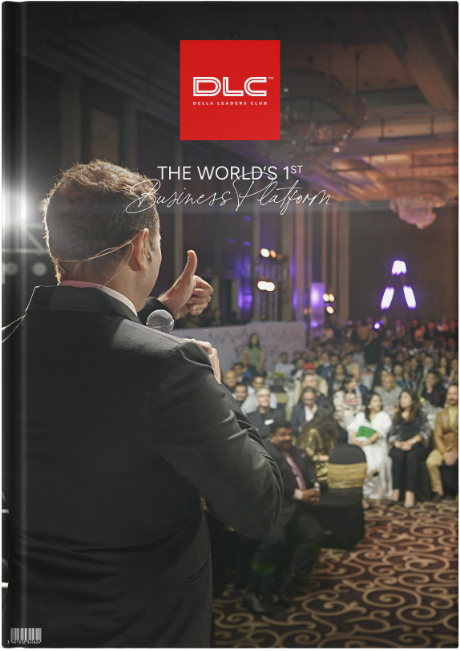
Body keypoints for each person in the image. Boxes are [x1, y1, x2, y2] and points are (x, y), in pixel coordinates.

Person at [2, 161, 283, 648]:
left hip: (34, 626)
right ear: (141, 246)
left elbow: (90, 368)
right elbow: (260, 507)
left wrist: (159, 313)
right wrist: (215, 386)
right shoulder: (173, 369)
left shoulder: (8, 346)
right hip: (144, 628)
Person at [243, 420, 326, 614]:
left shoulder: (295, 450)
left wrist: (314, 489)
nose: (288, 438)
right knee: (274, 541)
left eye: (290, 434)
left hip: (295, 509)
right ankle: (253, 592)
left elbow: (309, 469)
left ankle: (285, 579)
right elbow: (273, 481)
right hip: (271, 509)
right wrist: (300, 495)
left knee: (315, 534)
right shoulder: (264, 452)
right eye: (282, 435)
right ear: (272, 436)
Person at [347, 393, 393, 506]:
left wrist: (367, 442)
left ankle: (376, 486)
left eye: (379, 401)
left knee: (370, 454)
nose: (378, 403)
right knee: (362, 453)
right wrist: (355, 441)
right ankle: (366, 481)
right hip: (360, 444)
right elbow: (354, 430)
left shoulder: (384, 416)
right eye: (375, 401)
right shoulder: (361, 416)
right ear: (369, 403)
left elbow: (379, 433)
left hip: (377, 445)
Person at [388, 389, 431, 508]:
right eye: (401, 397)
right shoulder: (396, 415)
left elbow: (425, 433)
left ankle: (409, 492)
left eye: (406, 397)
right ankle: (396, 489)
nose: (402, 400)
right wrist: (399, 444)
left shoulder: (420, 414)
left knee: (411, 457)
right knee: (397, 455)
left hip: (417, 445)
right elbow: (391, 435)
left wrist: (411, 442)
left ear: (413, 400)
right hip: (401, 444)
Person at [426, 384, 459, 502]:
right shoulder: (441, 414)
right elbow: (437, 435)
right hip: (444, 446)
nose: (452, 396)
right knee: (430, 462)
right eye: (449, 394)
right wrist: (444, 453)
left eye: (455, 393)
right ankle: (438, 490)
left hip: (458, 447)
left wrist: (458, 453)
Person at [297, 405, 341, 487]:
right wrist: (323, 457)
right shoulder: (313, 431)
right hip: (317, 468)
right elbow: (307, 451)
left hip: (328, 463)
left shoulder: (329, 430)